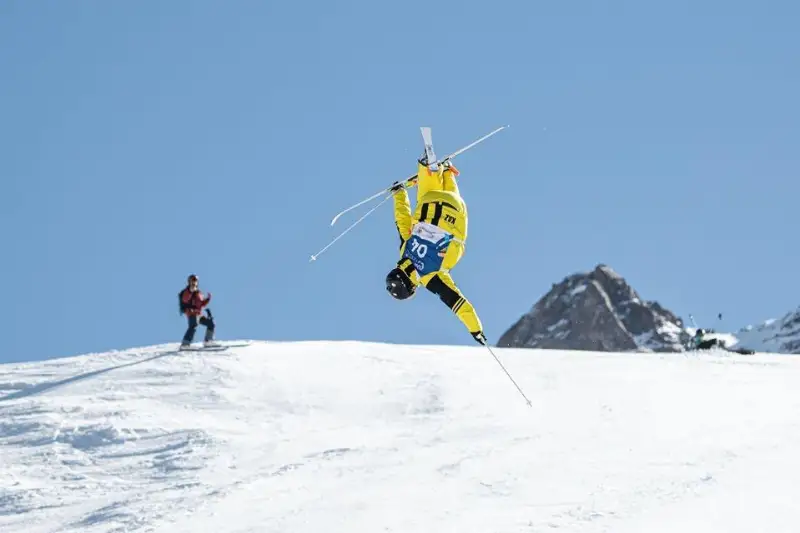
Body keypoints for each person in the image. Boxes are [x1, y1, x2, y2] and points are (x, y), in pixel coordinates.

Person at [385, 155, 487, 346]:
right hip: (428, 201)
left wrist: (476, 330)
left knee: (450, 212)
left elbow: (458, 304)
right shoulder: (404, 251)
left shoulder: (430, 278)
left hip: (455, 210)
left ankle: (447, 171)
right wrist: (398, 193)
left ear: (412, 286)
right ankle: (430, 170)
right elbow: (402, 219)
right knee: (425, 210)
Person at [179, 274, 217, 349]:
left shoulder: (199, 292)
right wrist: (190, 291)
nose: (194, 282)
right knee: (193, 325)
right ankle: (185, 344)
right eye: (193, 280)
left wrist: (208, 299)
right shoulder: (187, 291)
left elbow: (201, 304)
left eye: (195, 280)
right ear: (189, 281)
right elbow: (185, 299)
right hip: (191, 313)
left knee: (211, 323)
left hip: (199, 314)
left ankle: (208, 341)